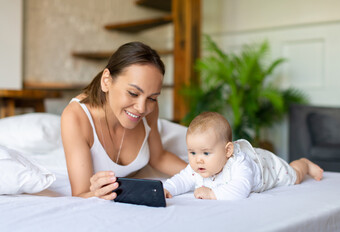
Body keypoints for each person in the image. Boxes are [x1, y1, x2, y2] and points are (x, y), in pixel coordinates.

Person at [61, 42, 187, 199]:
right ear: (106, 81)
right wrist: (97, 193)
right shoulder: (76, 117)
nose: (142, 108)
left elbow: (158, 157)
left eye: (152, 98)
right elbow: (80, 194)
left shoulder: (150, 109)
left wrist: (200, 175)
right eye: (133, 93)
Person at [163, 111, 323, 200]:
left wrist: (212, 193)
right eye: (192, 152)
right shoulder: (198, 166)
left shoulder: (239, 163)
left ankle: (304, 164)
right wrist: (167, 189)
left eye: (206, 152)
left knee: (294, 176)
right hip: (256, 161)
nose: (198, 159)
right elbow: (182, 179)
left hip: (267, 166)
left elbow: (241, 189)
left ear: (227, 151)